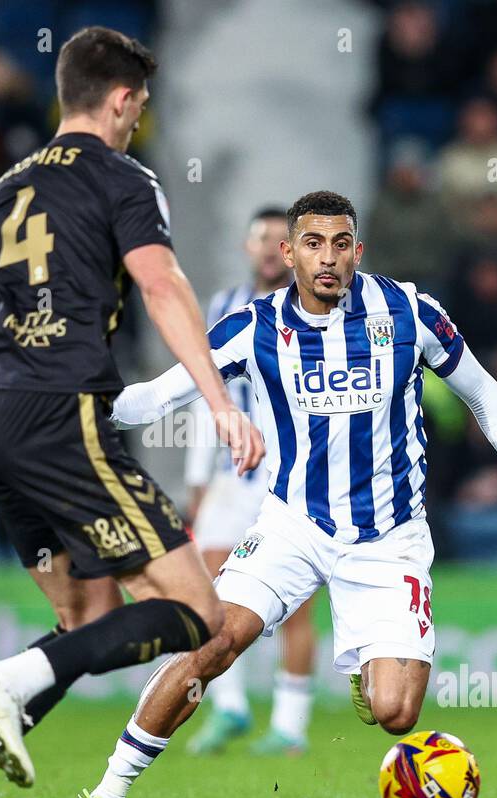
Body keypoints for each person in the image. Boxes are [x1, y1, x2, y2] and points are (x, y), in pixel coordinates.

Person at [55, 190, 497, 798]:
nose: (326, 258)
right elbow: (158, 398)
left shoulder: (409, 313)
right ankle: (106, 795)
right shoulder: (255, 326)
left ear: (357, 250)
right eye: (312, 243)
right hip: (292, 524)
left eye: (339, 244)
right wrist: (79, 404)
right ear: (288, 252)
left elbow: (484, 393)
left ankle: (370, 666)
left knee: (397, 714)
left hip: (390, 537)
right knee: (210, 643)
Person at [0, 26, 263, 798]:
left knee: (86, 617)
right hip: (58, 410)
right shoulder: (123, 177)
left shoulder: (4, 189)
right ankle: (7, 678)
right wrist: (218, 401)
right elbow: (162, 282)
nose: (140, 120)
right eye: (139, 106)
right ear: (124, 99)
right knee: (196, 611)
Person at [183, 208, 319, 757]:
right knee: (208, 595)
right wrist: (197, 480)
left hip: (290, 476)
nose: (268, 248)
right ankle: (232, 707)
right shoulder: (221, 308)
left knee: (296, 606)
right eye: (259, 239)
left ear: (290, 251)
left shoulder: (315, 309)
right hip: (232, 477)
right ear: (247, 248)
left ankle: (291, 724)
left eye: (276, 240)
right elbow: (201, 393)